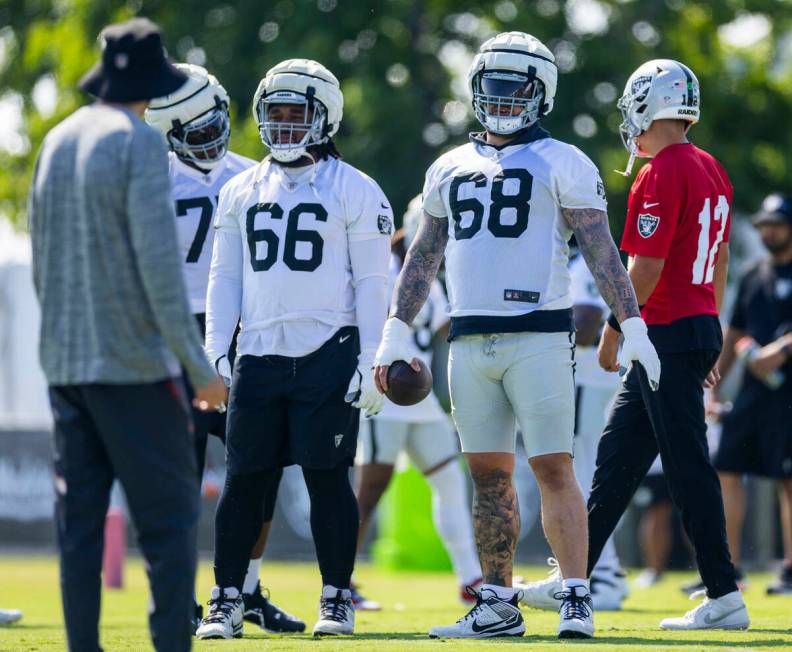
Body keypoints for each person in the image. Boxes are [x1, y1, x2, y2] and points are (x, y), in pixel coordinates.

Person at [374, 31, 659, 640]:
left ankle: (576, 595)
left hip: (539, 336)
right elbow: (423, 255)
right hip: (469, 341)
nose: (500, 99)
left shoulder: (565, 161)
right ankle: (497, 603)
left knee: (555, 468)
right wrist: (395, 332)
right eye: (491, 86)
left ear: (542, 92)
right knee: (488, 478)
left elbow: (602, 250)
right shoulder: (448, 164)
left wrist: (630, 321)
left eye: (514, 87)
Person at [525, 59, 750, 631]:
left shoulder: (662, 170)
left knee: (685, 465)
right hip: (692, 327)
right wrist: (710, 331)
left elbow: (642, 267)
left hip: (667, 333)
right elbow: (718, 259)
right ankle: (574, 575)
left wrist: (614, 333)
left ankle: (724, 594)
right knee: (617, 458)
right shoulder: (712, 167)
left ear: (649, 104)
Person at [28, 18, 227, 652]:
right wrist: (199, 370)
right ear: (152, 82)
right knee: (169, 526)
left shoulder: (57, 138)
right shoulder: (139, 142)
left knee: (79, 529)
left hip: (66, 365)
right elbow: (159, 269)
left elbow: (43, 261)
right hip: (133, 369)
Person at [195, 58, 392, 639]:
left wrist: (370, 358)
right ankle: (228, 597)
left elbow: (372, 283)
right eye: (273, 114)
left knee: (327, 477)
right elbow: (223, 278)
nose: (282, 125)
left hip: (329, 350)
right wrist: (217, 353)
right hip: (257, 352)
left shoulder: (356, 189)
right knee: (244, 479)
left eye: (295, 113)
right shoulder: (239, 189)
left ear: (324, 116)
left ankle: (336, 596)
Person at [144, 63, 303, 634]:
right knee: (176, 478)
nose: (209, 138)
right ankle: (175, 595)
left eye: (212, 124)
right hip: (174, 335)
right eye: (192, 132)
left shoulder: (255, 175)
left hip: (244, 334)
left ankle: (247, 589)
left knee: (257, 471)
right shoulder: (148, 178)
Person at [353, 196, 482, 610]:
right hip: (386, 396)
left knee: (450, 482)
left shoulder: (434, 276)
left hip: (421, 401)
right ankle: (340, 580)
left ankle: (470, 579)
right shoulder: (385, 269)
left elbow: (445, 325)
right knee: (369, 491)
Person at [712, 193, 792, 596]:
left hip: (789, 393)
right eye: (765, 224)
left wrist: (783, 350)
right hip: (753, 394)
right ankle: (730, 568)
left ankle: (790, 571)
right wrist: (716, 381)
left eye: (777, 223)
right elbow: (736, 332)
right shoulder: (754, 274)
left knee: (788, 479)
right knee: (726, 468)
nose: (769, 230)